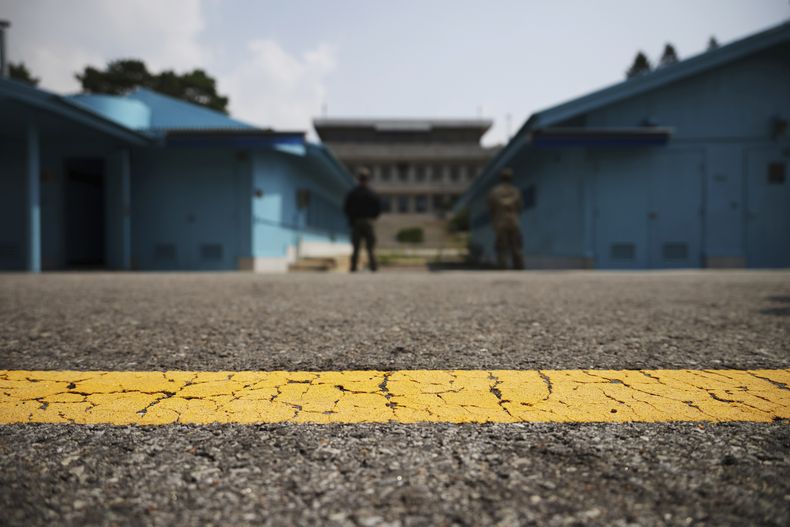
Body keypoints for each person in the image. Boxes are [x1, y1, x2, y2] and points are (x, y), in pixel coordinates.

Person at [344, 167, 381, 272]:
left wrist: (352, 219)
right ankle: (373, 267)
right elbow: (378, 208)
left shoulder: (353, 193)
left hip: (356, 221)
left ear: (358, 179)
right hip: (368, 221)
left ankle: (353, 267)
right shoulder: (372, 193)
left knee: (356, 247)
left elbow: (347, 208)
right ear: (368, 179)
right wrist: (373, 218)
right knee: (370, 247)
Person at [487, 167, 524, 270]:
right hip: (513, 221)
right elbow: (520, 207)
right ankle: (519, 268)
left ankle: (502, 267)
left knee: (502, 247)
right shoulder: (515, 191)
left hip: (500, 222)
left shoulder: (494, 192)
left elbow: (491, 208)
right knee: (516, 246)